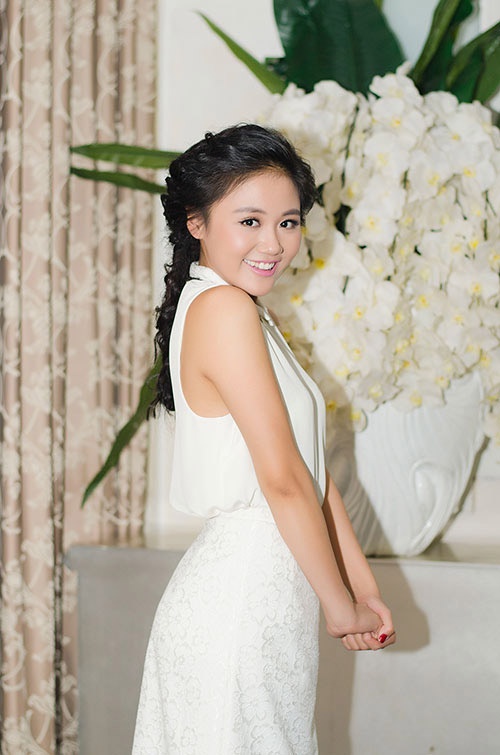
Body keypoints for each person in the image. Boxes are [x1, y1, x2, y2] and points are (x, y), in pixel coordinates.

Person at [132, 124, 395, 754]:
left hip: (270, 606)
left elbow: (310, 472)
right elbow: (282, 481)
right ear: (196, 221)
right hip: (239, 606)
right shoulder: (223, 309)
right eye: (250, 221)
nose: (274, 243)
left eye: (288, 222)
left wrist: (361, 588)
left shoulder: (248, 309)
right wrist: (340, 604)